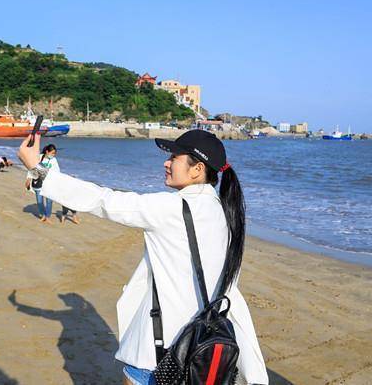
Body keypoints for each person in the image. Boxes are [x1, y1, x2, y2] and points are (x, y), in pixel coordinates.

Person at [17, 130, 267, 385]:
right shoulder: (226, 213)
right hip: (204, 354)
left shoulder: (172, 208)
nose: (166, 163)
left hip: (158, 356)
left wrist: (38, 169)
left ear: (197, 169)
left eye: (174, 157)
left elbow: (104, 200)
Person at [24, 144, 59, 223]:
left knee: (49, 201)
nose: (53, 155)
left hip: (49, 183)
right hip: (38, 182)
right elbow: (33, 168)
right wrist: (28, 179)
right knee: (39, 201)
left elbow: (57, 171)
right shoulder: (39, 157)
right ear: (47, 151)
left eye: (54, 153)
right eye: (52, 153)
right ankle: (43, 215)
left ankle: (48, 217)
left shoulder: (54, 160)